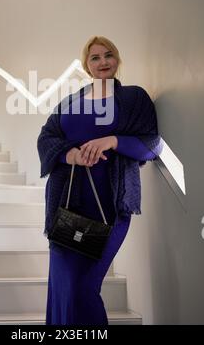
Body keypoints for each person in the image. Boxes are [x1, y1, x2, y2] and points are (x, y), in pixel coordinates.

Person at [37, 36, 163, 326]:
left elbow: (152, 144)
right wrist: (70, 155)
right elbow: (46, 139)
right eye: (95, 57)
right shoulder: (70, 102)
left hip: (110, 206)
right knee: (64, 288)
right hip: (67, 207)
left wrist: (113, 140)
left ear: (117, 60)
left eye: (108, 55)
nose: (103, 61)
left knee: (83, 288)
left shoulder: (133, 97)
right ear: (86, 66)